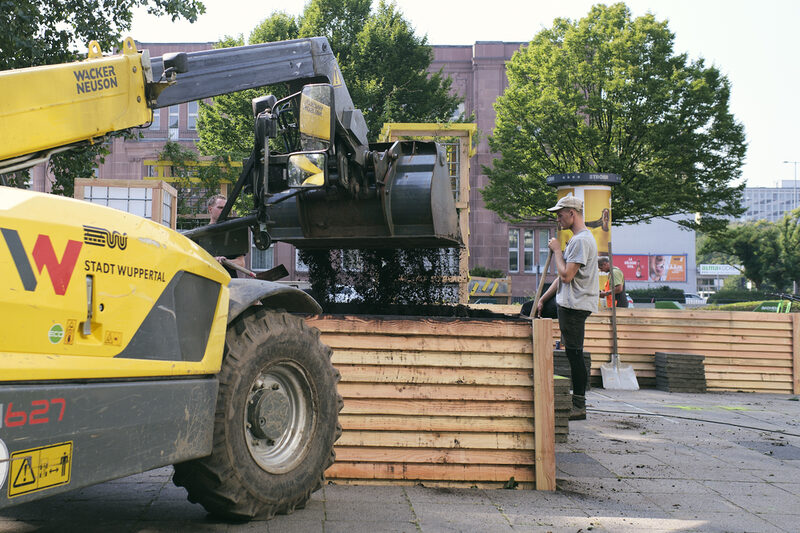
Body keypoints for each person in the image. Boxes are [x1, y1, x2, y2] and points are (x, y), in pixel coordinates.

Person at [536, 195, 599, 421]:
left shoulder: (581, 241)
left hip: (574, 305)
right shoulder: (577, 240)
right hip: (569, 302)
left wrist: (556, 251)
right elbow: (559, 278)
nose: (558, 218)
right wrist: (542, 299)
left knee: (574, 354)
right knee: (529, 310)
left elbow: (565, 275)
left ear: (572, 213)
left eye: (560, 213)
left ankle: (579, 404)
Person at [207, 194, 246, 277]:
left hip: (230, 284)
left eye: (226, 208)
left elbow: (241, 263)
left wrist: (226, 261)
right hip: (207, 283)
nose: (223, 211)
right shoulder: (199, 235)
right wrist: (212, 261)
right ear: (210, 209)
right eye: (220, 208)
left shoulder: (233, 234)